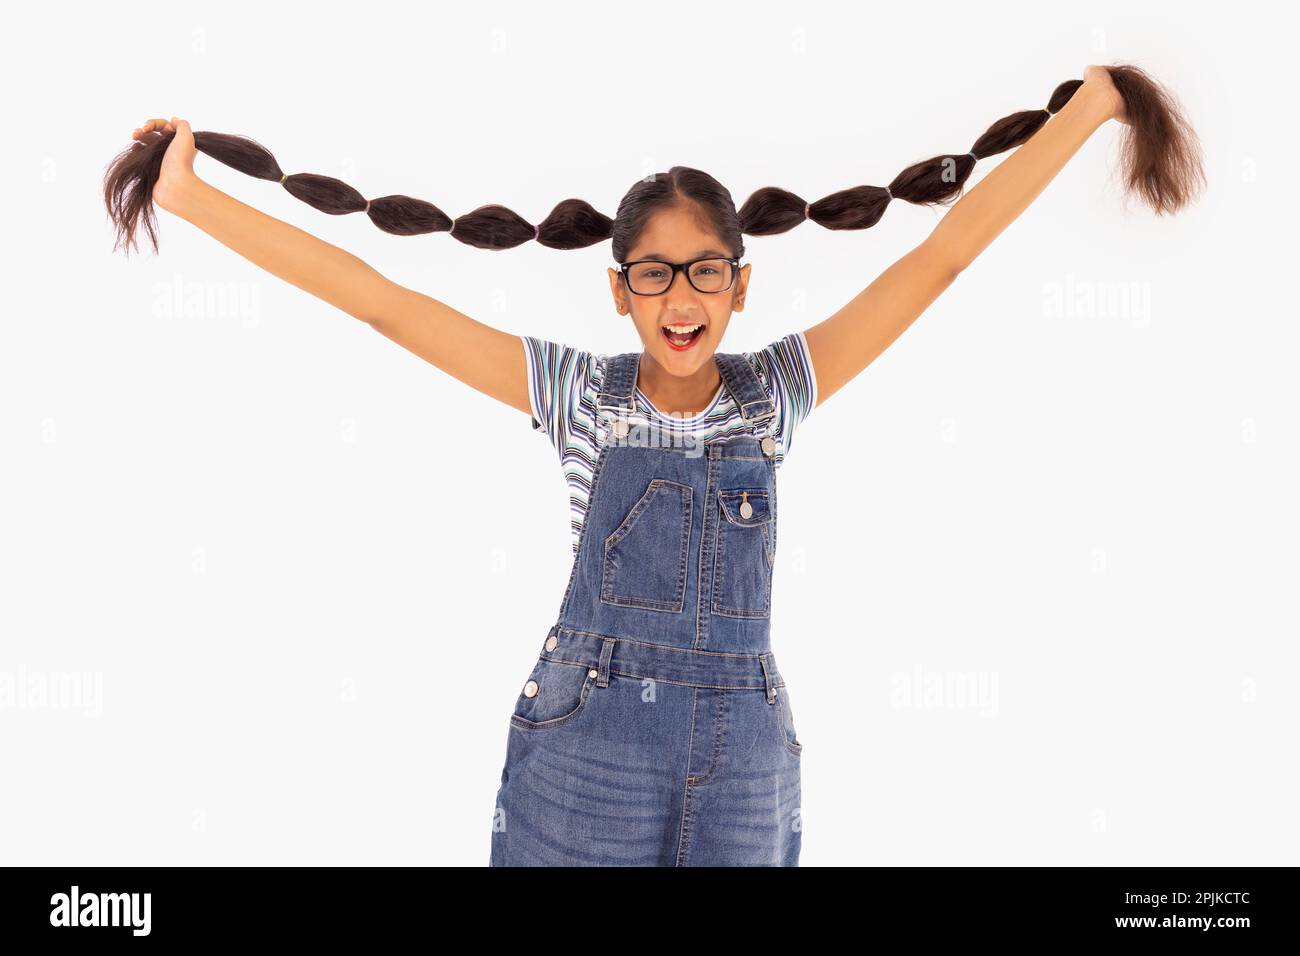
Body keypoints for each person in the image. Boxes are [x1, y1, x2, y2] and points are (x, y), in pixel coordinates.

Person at [110, 63, 1202, 865]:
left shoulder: (777, 388)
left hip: (744, 763)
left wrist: (1093, 106)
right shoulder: (575, 392)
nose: (681, 297)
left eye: (704, 272)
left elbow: (943, 254)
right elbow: (382, 302)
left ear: (740, 283)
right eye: (654, 273)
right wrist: (194, 194)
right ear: (618, 289)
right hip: (588, 753)